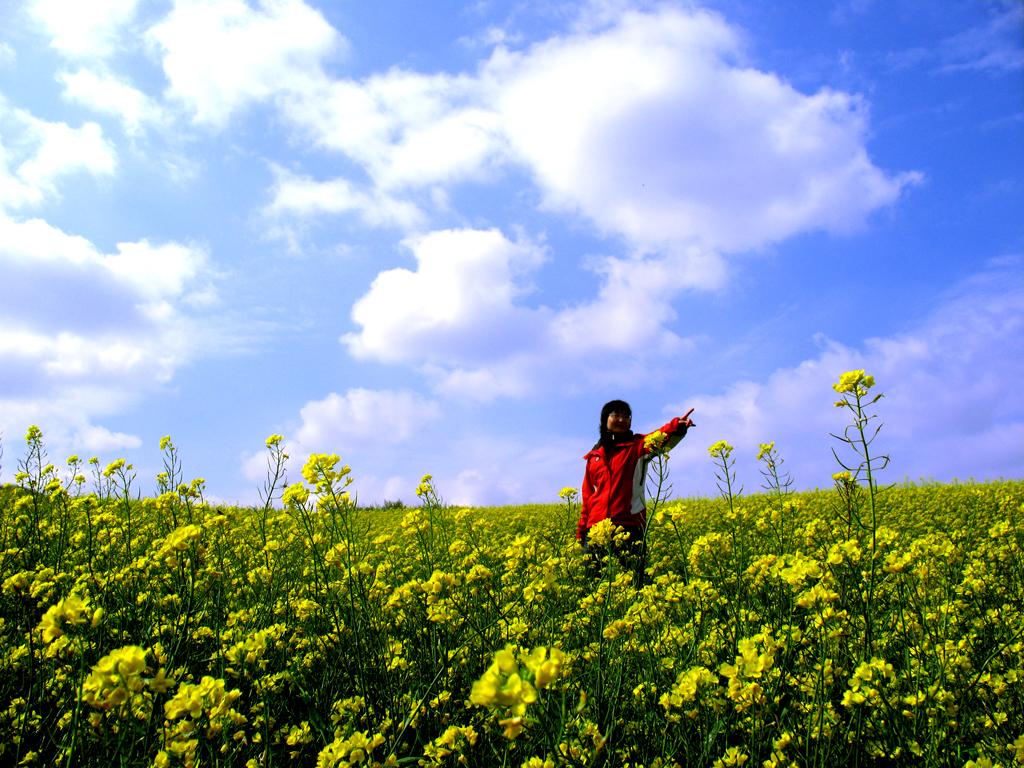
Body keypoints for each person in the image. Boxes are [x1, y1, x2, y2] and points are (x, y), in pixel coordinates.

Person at [576, 399, 695, 582]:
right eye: (616, 415)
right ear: (604, 419)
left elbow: (660, 438)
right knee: (591, 583)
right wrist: (582, 531)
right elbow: (588, 497)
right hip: (596, 529)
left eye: (626, 416)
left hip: (629, 526)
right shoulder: (594, 456)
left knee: (636, 583)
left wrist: (676, 427)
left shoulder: (638, 447)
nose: (622, 420)